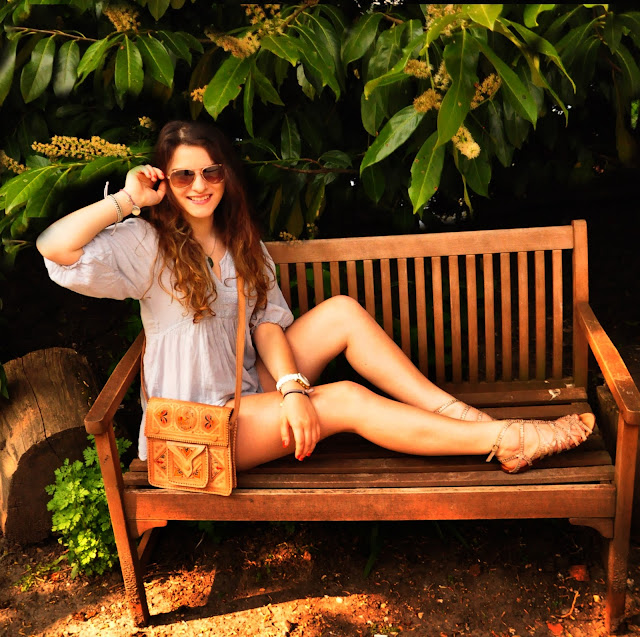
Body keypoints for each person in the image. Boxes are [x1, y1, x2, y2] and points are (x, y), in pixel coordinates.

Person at [36, 120, 594, 475]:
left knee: (341, 313)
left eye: (210, 171)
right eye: (183, 176)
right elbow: (54, 249)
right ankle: (503, 439)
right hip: (193, 430)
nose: (199, 185)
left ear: (226, 175)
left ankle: (462, 417)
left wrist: (291, 388)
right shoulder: (145, 243)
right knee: (345, 399)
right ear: (164, 181)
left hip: (245, 392)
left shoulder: (241, 244)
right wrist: (127, 200)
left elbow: (266, 326)